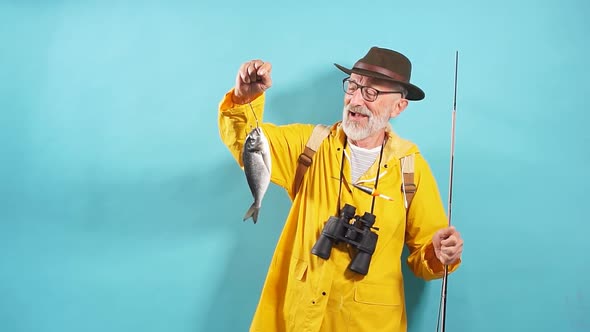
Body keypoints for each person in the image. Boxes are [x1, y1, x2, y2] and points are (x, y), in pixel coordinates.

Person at [218, 46, 464, 332]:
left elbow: (427, 255)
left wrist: (441, 252)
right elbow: (248, 143)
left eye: (371, 92)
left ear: (399, 106)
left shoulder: (411, 168)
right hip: (298, 319)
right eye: (354, 86)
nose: (356, 100)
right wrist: (244, 100)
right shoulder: (308, 146)